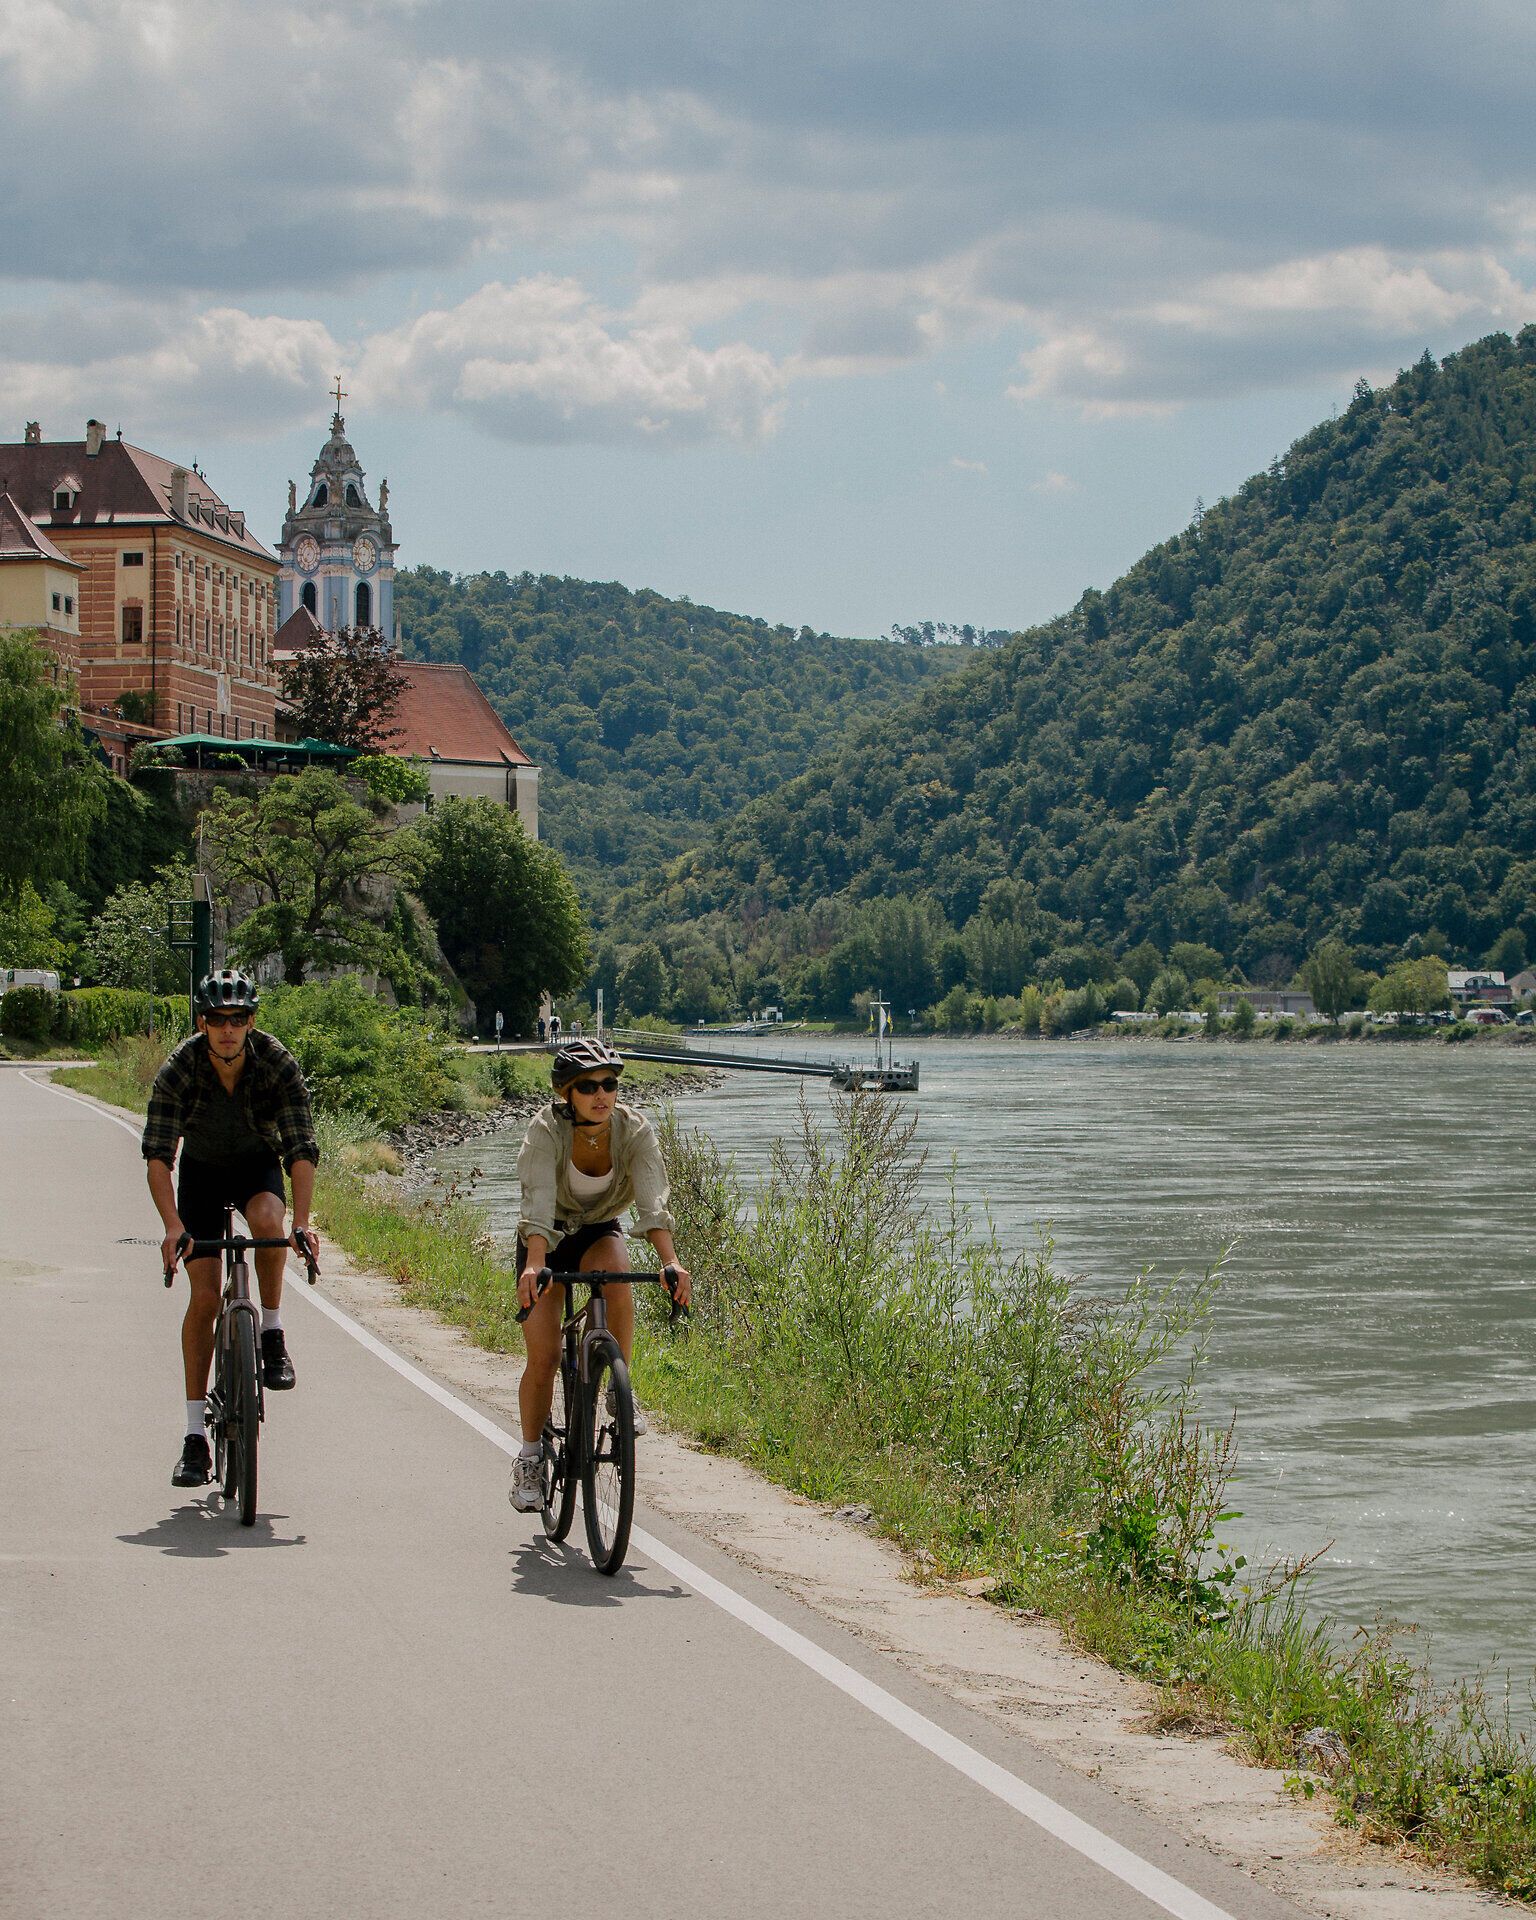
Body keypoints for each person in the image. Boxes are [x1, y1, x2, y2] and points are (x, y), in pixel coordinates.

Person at [142, 969, 321, 1489]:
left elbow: (301, 1148)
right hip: (200, 1172)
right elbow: (158, 1155)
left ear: (250, 1022)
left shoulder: (277, 1063)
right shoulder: (180, 1068)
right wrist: (172, 1226)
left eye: (237, 1019)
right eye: (217, 1020)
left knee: (269, 1221)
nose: (227, 1029)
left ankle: (270, 1330)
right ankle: (195, 1436)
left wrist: (303, 1223)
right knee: (202, 1297)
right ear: (202, 1023)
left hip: (255, 1165)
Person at [508, 1038, 691, 1512]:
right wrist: (534, 1263)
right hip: (545, 1238)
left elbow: (653, 1201)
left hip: (598, 1231)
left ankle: (616, 1386)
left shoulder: (634, 1130)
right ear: (567, 1093)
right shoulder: (545, 1131)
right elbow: (538, 1204)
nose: (601, 1094)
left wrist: (670, 1261)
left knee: (616, 1271)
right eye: (587, 1086)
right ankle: (530, 1459)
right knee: (544, 1358)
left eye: (609, 1083)